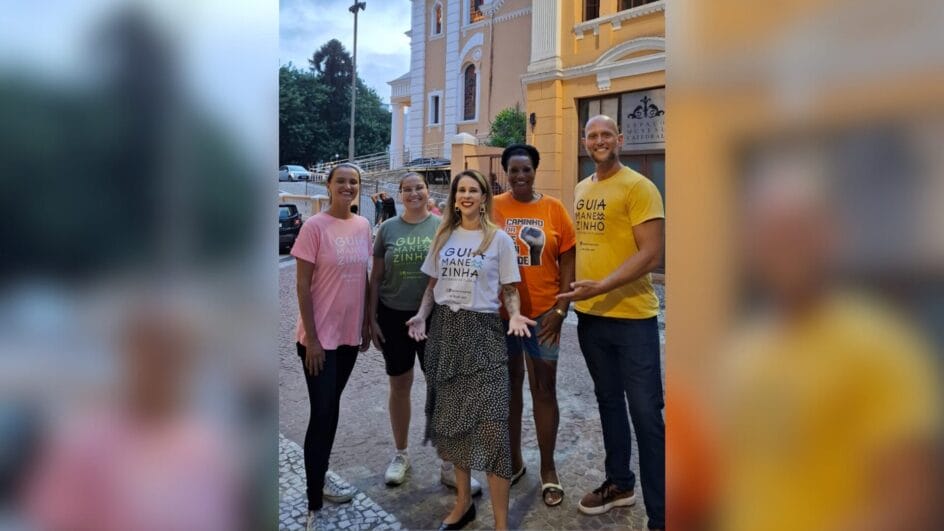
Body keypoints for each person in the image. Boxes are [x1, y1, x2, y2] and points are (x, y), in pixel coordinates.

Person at [407, 169, 535, 530]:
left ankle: (501, 524)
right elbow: (432, 286)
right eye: (461, 190)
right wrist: (421, 316)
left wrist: (514, 314)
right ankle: (463, 503)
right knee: (454, 424)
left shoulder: (499, 240)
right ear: (454, 198)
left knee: (494, 430)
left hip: (484, 333)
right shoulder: (443, 236)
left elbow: (510, 288)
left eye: (473, 190)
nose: (466, 195)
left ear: (483, 197)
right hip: (445, 332)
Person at [557, 115, 665, 530]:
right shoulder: (582, 188)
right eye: (592, 135)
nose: (599, 141)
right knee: (608, 402)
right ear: (584, 142)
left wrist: (602, 284)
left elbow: (651, 254)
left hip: (633, 319)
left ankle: (661, 515)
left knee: (646, 415)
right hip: (592, 318)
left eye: (606, 135)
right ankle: (619, 483)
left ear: (619, 139)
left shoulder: (639, 187)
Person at [367, 172, 482, 495]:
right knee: (399, 385)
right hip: (393, 316)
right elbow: (376, 277)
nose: (414, 193)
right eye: (407, 189)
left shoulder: (443, 228)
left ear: (428, 191)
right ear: (400, 194)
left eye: (419, 187)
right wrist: (371, 319)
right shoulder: (387, 229)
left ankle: (448, 464)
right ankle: (401, 454)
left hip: (435, 317)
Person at [492, 143, 576, 507]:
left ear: (535, 171)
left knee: (544, 389)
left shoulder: (554, 208)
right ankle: (514, 461)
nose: (520, 176)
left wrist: (562, 308)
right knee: (510, 388)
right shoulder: (493, 207)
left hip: (544, 315)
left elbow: (569, 259)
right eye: (514, 170)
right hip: (502, 315)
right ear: (506, 173)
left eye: (526, 169)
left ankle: (548, 468)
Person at [292, 162, 372, 531]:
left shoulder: (363, 225)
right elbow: (302, 286)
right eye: (341, 180)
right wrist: (312, 339)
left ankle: (320, 477)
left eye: (353, 182)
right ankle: (313, 503)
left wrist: (366, 321)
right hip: (318, 341)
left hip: (348, 337)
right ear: (328, 185)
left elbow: (364, 275)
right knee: (322, 412)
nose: (348, 186)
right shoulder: (314, 227)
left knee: (332, 408)